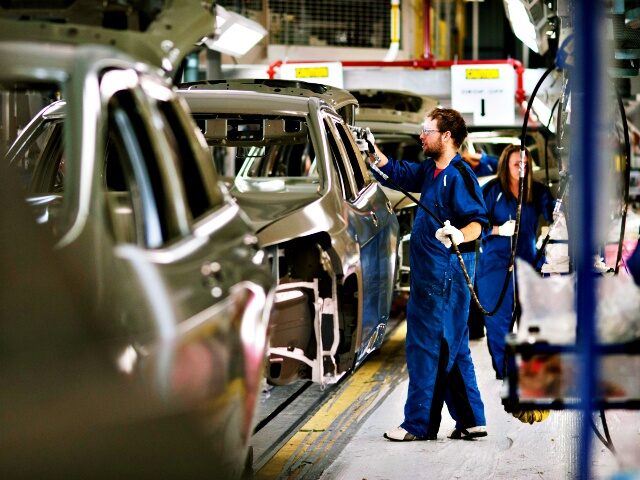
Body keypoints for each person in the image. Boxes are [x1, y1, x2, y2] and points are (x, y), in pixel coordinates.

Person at [365, 107, 490, 442]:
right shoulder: (430, 171)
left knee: (427, 345)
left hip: (445, 276)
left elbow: (479, 221)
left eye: (427, 130)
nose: (422, 135)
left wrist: (460, 234)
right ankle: (471, 419)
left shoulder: (460, 174)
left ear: (446, 136)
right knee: (454, 344)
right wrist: (372, 153)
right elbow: (397, 172)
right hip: (430, 276)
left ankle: (418, 424)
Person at [475, 144, 555, 380]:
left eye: (525, 164)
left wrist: (559, 218)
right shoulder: (491, 191)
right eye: (516, 163)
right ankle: (507, 373)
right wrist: (499, 229)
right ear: (505, 165)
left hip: (528, 262)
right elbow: (475, 226)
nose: (521, 167)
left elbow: (554, 215)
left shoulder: (538, 191)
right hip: (494, 266)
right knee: (498, 321)